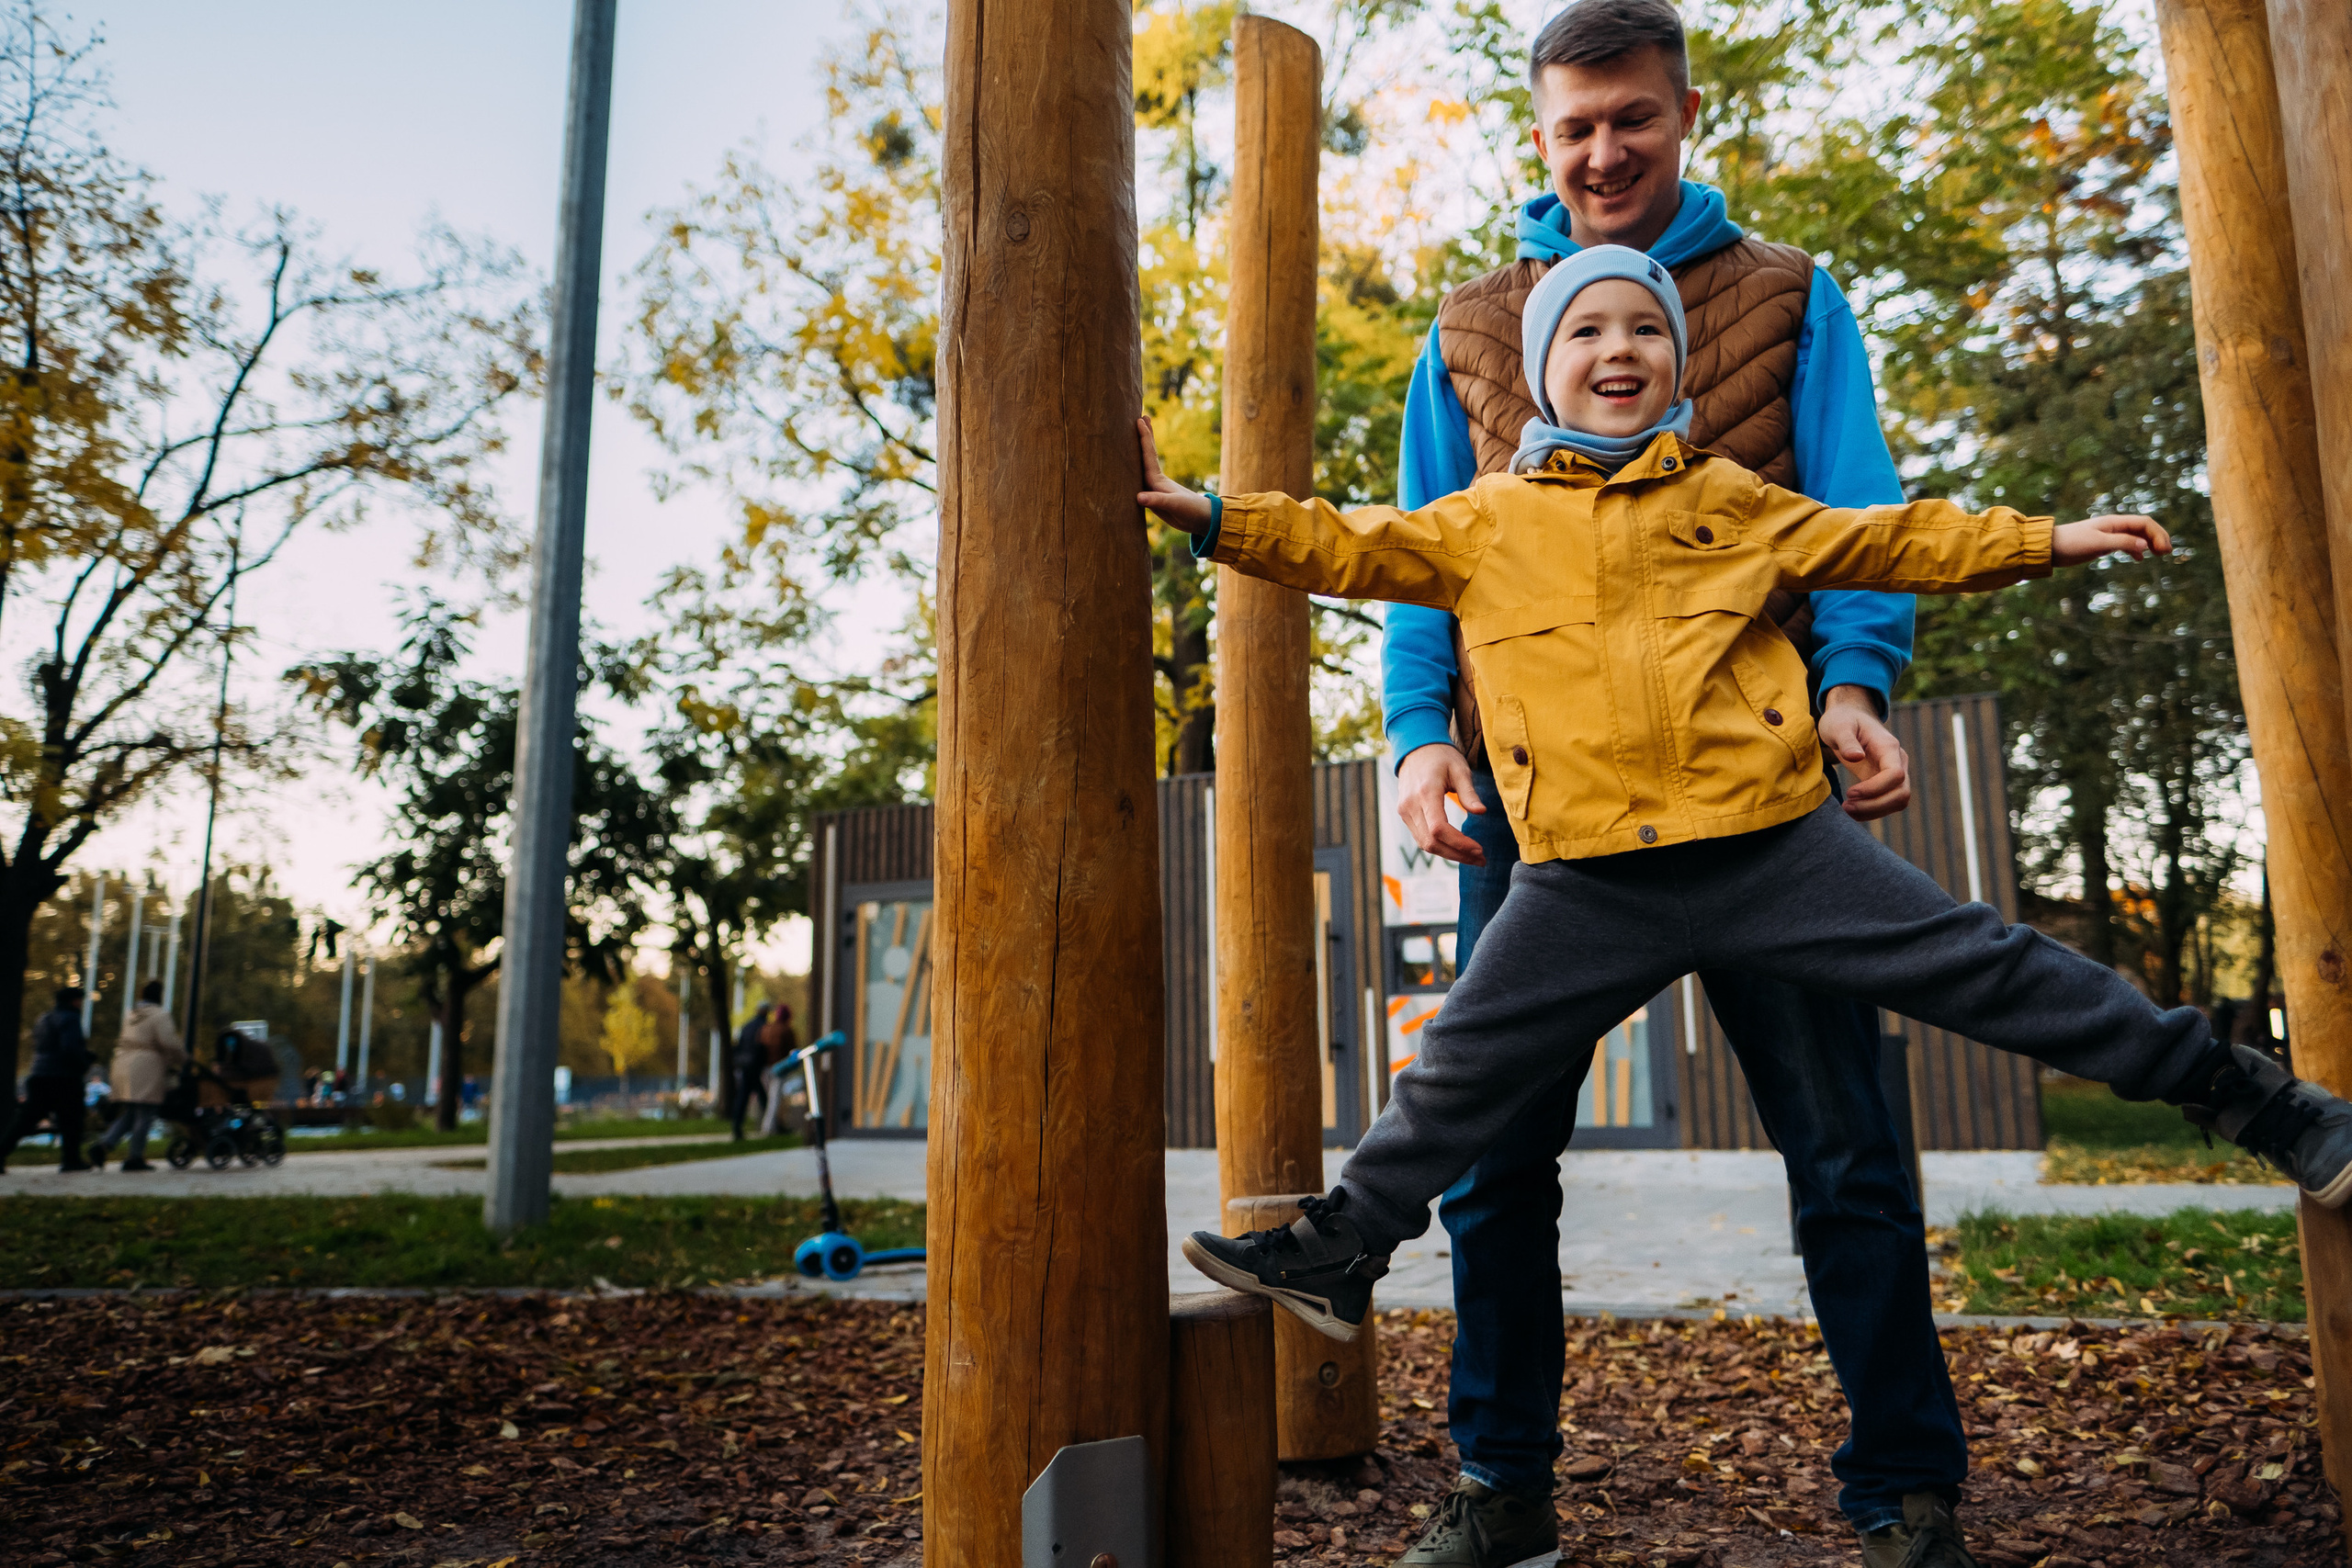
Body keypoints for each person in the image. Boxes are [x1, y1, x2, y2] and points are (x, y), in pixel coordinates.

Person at [1147, 249, 2352, 1550]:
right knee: (1458, 1071)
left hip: (1772, 847)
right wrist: (1207, 511)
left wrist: (2042, 540)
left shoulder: (1732, 495)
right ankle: (1343, 1247)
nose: (1620, 350)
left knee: (1995, 966)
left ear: (1675, 363)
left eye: (1646, 331)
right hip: (1584, 875)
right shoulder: (1486, 518)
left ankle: (2254, 1098)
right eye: (1587, 332)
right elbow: (1342, 538)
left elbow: (1883, 537)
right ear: (1545, 371)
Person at [1370, 2, 1965, 1561]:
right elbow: (1426, 548)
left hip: (1759, 790)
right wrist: (1423, 733)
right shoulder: (1474, 329)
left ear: (1683, 114)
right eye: (1576, 125)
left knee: (1844, 1146)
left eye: (1632, 117)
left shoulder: (1786, 295)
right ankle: (1502, 1489)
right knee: (1496, 1156)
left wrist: (1855, 683)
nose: (1604, 150)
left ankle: (1904, 1485)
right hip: (1540, 804)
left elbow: (1858, 503)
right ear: (1542, 136)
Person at [1, 986, 96, 1173]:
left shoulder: (44, 1018)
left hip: (39, 1074)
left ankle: (2, 1151)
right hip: (63, 1077)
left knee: (26, 1120)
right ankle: (71, 1159)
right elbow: (70, 1048)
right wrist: (84, 1062)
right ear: (74, 1001)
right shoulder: (70, 1018)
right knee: (71, 1119)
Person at [95, 980, 185, 1172]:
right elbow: (169, 1042)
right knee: (146, 1113)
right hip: (147, 1066)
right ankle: (135, 1157)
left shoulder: (131, 1015)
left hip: (124, 1063)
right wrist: (184, 1059)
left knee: (130, 1113)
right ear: (160, 995)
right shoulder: (160, 1015)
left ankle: (104, 1146)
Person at [730, 1001, 774, 1140]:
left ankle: (738, 1125)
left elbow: (739, 1045)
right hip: (754, 1065)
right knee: (758, 1095)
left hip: (745, 1065)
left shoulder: (747, 1026)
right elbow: (763, 1046)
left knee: (746, 1095)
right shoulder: (764, 1027)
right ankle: (771, 1124)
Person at [757, 1003, 800, 1136]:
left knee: (770, 1099)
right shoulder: (786, 1031)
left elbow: (759, 1047)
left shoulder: (766, 1028)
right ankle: (769, 1128)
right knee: (775, 1099)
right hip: (780, 1068)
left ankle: (772, 1126)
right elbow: (792, 1051)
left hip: (765, 1068)